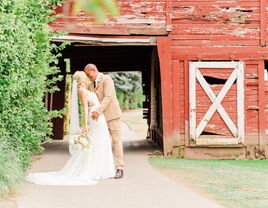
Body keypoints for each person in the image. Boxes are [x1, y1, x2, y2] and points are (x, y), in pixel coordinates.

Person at [26, 71, 115, 185]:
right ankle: (91, 170)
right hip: (94, 117)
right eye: (85, 76)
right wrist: (85, 124)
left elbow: (89, 103)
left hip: (98, 116)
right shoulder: (82, 91)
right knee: (96, 141)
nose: (87, 77)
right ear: (82, 79)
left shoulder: (84, 89)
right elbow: (84, 108)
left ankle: (99, 169)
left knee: (100, 141)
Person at [84, 64, 124, 179]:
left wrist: (98, 111)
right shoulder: (90, 85)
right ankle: (103, 169)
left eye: (88, 74)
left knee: (116, 141)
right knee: (101, 142)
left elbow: (108, 97)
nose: (87, 76)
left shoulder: (107, 79)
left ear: (93, 70)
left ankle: (120, 168)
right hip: (100, 121)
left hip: (112, 116)